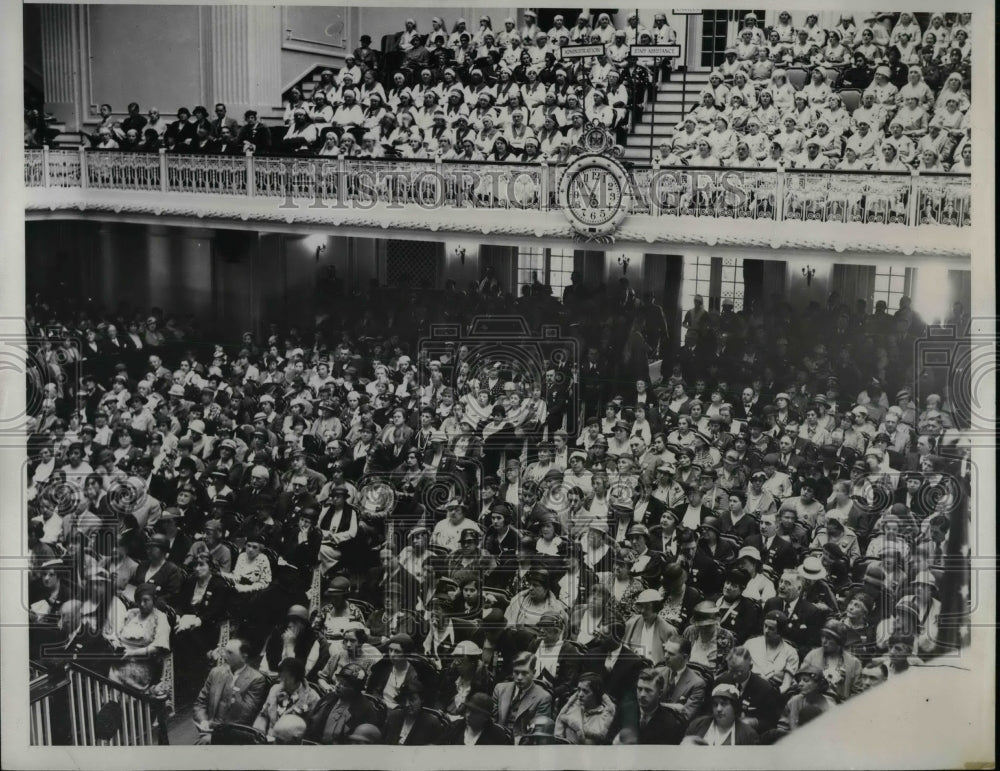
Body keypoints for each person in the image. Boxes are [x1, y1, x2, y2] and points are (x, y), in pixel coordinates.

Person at [193, 638, 268, 743]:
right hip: (209, 731)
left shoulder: (256, 679)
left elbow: (246, 715)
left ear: (243, 657)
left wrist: (233, 688)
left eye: (230, 652)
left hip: (235, 736)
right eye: (224, 651)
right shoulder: (216, 673)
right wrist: (203, 721)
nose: (224, 655)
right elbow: (200, 703)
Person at [107, 582, 171, 691]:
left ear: (154, 600)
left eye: (146, 600)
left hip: (140, 667)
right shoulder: (131, 613)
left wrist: (132, 653)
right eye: (139, 600)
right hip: (119, 662)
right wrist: (114, 641)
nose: (141, 604)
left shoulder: (160, 618)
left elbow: (158, 647)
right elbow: (116, 633)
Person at [306, 663, 382, 744]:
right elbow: (310, 723)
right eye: (338, 681)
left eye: (344, 684)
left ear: (356, 689)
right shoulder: (327, 699)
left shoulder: (366, 710)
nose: (338, 685)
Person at [254, 657, 319, 741]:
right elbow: (263, 715)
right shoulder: (275, 689)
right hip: (268, 738)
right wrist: (259, 732)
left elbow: (310, 731)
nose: (281, 681)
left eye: (286, 678)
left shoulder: (312, 698)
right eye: (281, 676)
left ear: (297, 678)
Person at [493, 651, 553, 743]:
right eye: (516, 673)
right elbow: (492, 720)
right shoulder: (500, 689)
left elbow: (536, 733)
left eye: (524, 673)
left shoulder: (543, 697)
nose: (519, 677)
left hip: (523, 745)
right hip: (498, 740)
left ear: (534, 673)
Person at [682, 683, 759, 745]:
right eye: (715, 704)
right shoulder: (697, 725)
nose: (718, 709)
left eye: (724, 704)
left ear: (734, 707)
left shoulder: (749, 735)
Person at [554, 673, 617, 744]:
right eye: (578, 689)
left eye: (585, 691)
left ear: (596, 693)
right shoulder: (570, 709)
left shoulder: (605, 716)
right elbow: (558, 737)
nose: (580, 695)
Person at [383, 680, 443, 745]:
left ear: (422, 699)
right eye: (404, 700)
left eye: (412, 700)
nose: (406, 704)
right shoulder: (394, 716)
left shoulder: (431, 724)